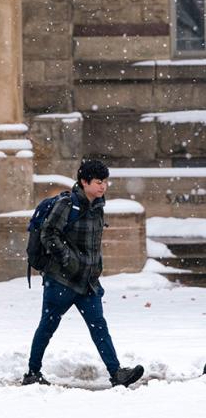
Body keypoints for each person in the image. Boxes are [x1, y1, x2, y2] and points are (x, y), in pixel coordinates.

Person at [22, 158, 144, 388]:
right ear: (84, 182)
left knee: (99, 325)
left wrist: (93, 268)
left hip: (87, 282)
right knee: (48, 325)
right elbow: (49, 235)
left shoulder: (98, 206)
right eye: (99, 182)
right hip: (61, 280)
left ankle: (116, 372)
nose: (103, 186)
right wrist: (68, 260)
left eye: (105, 182)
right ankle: (32, 372)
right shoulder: (67, 204)